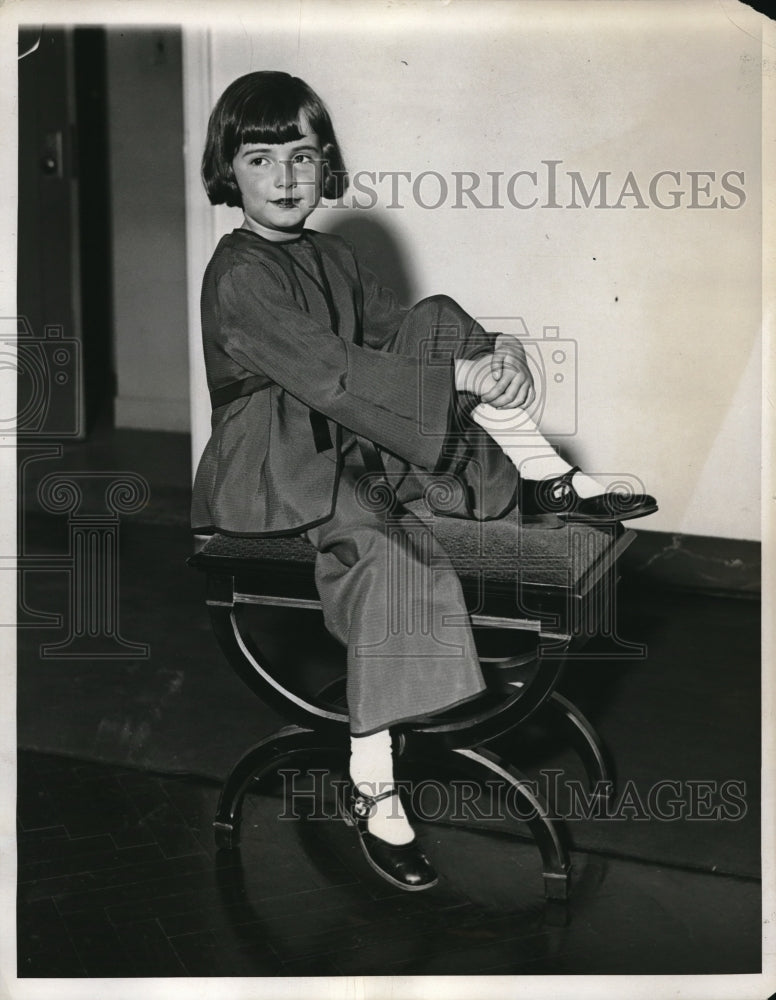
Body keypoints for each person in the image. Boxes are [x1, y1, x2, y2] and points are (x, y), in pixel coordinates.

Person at [192, 70, 656, 892]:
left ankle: (548, 479)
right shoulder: (240, 278)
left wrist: (494, 356)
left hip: (351, 441)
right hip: (280, 468)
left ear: (324, 163)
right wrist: (461, 385)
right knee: (389, 558)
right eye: (262, 160)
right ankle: (374, 789)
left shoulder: (331, 253)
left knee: (436, 315)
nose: (288, 178)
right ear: (229, 171)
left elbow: (406, 335)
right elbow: (332, 376)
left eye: (303, 156)